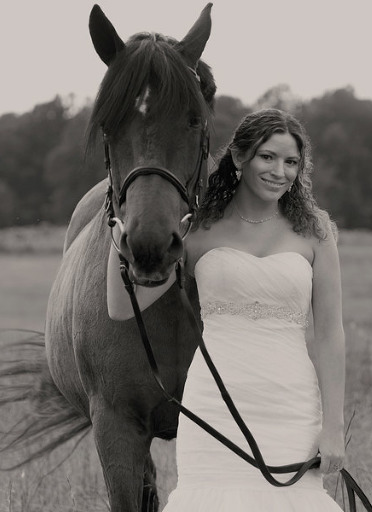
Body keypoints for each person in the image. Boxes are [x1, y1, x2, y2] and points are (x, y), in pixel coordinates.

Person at [107, 108, 346, 510]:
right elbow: (121, 308)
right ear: (239, 158)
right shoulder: (198, 230)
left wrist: (334, 428)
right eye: (267, 157)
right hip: (215, 402)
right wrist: (122, 236)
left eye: (291, 162)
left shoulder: (316, 232)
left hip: (292, 403)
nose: (279, 172)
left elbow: (330, 333)